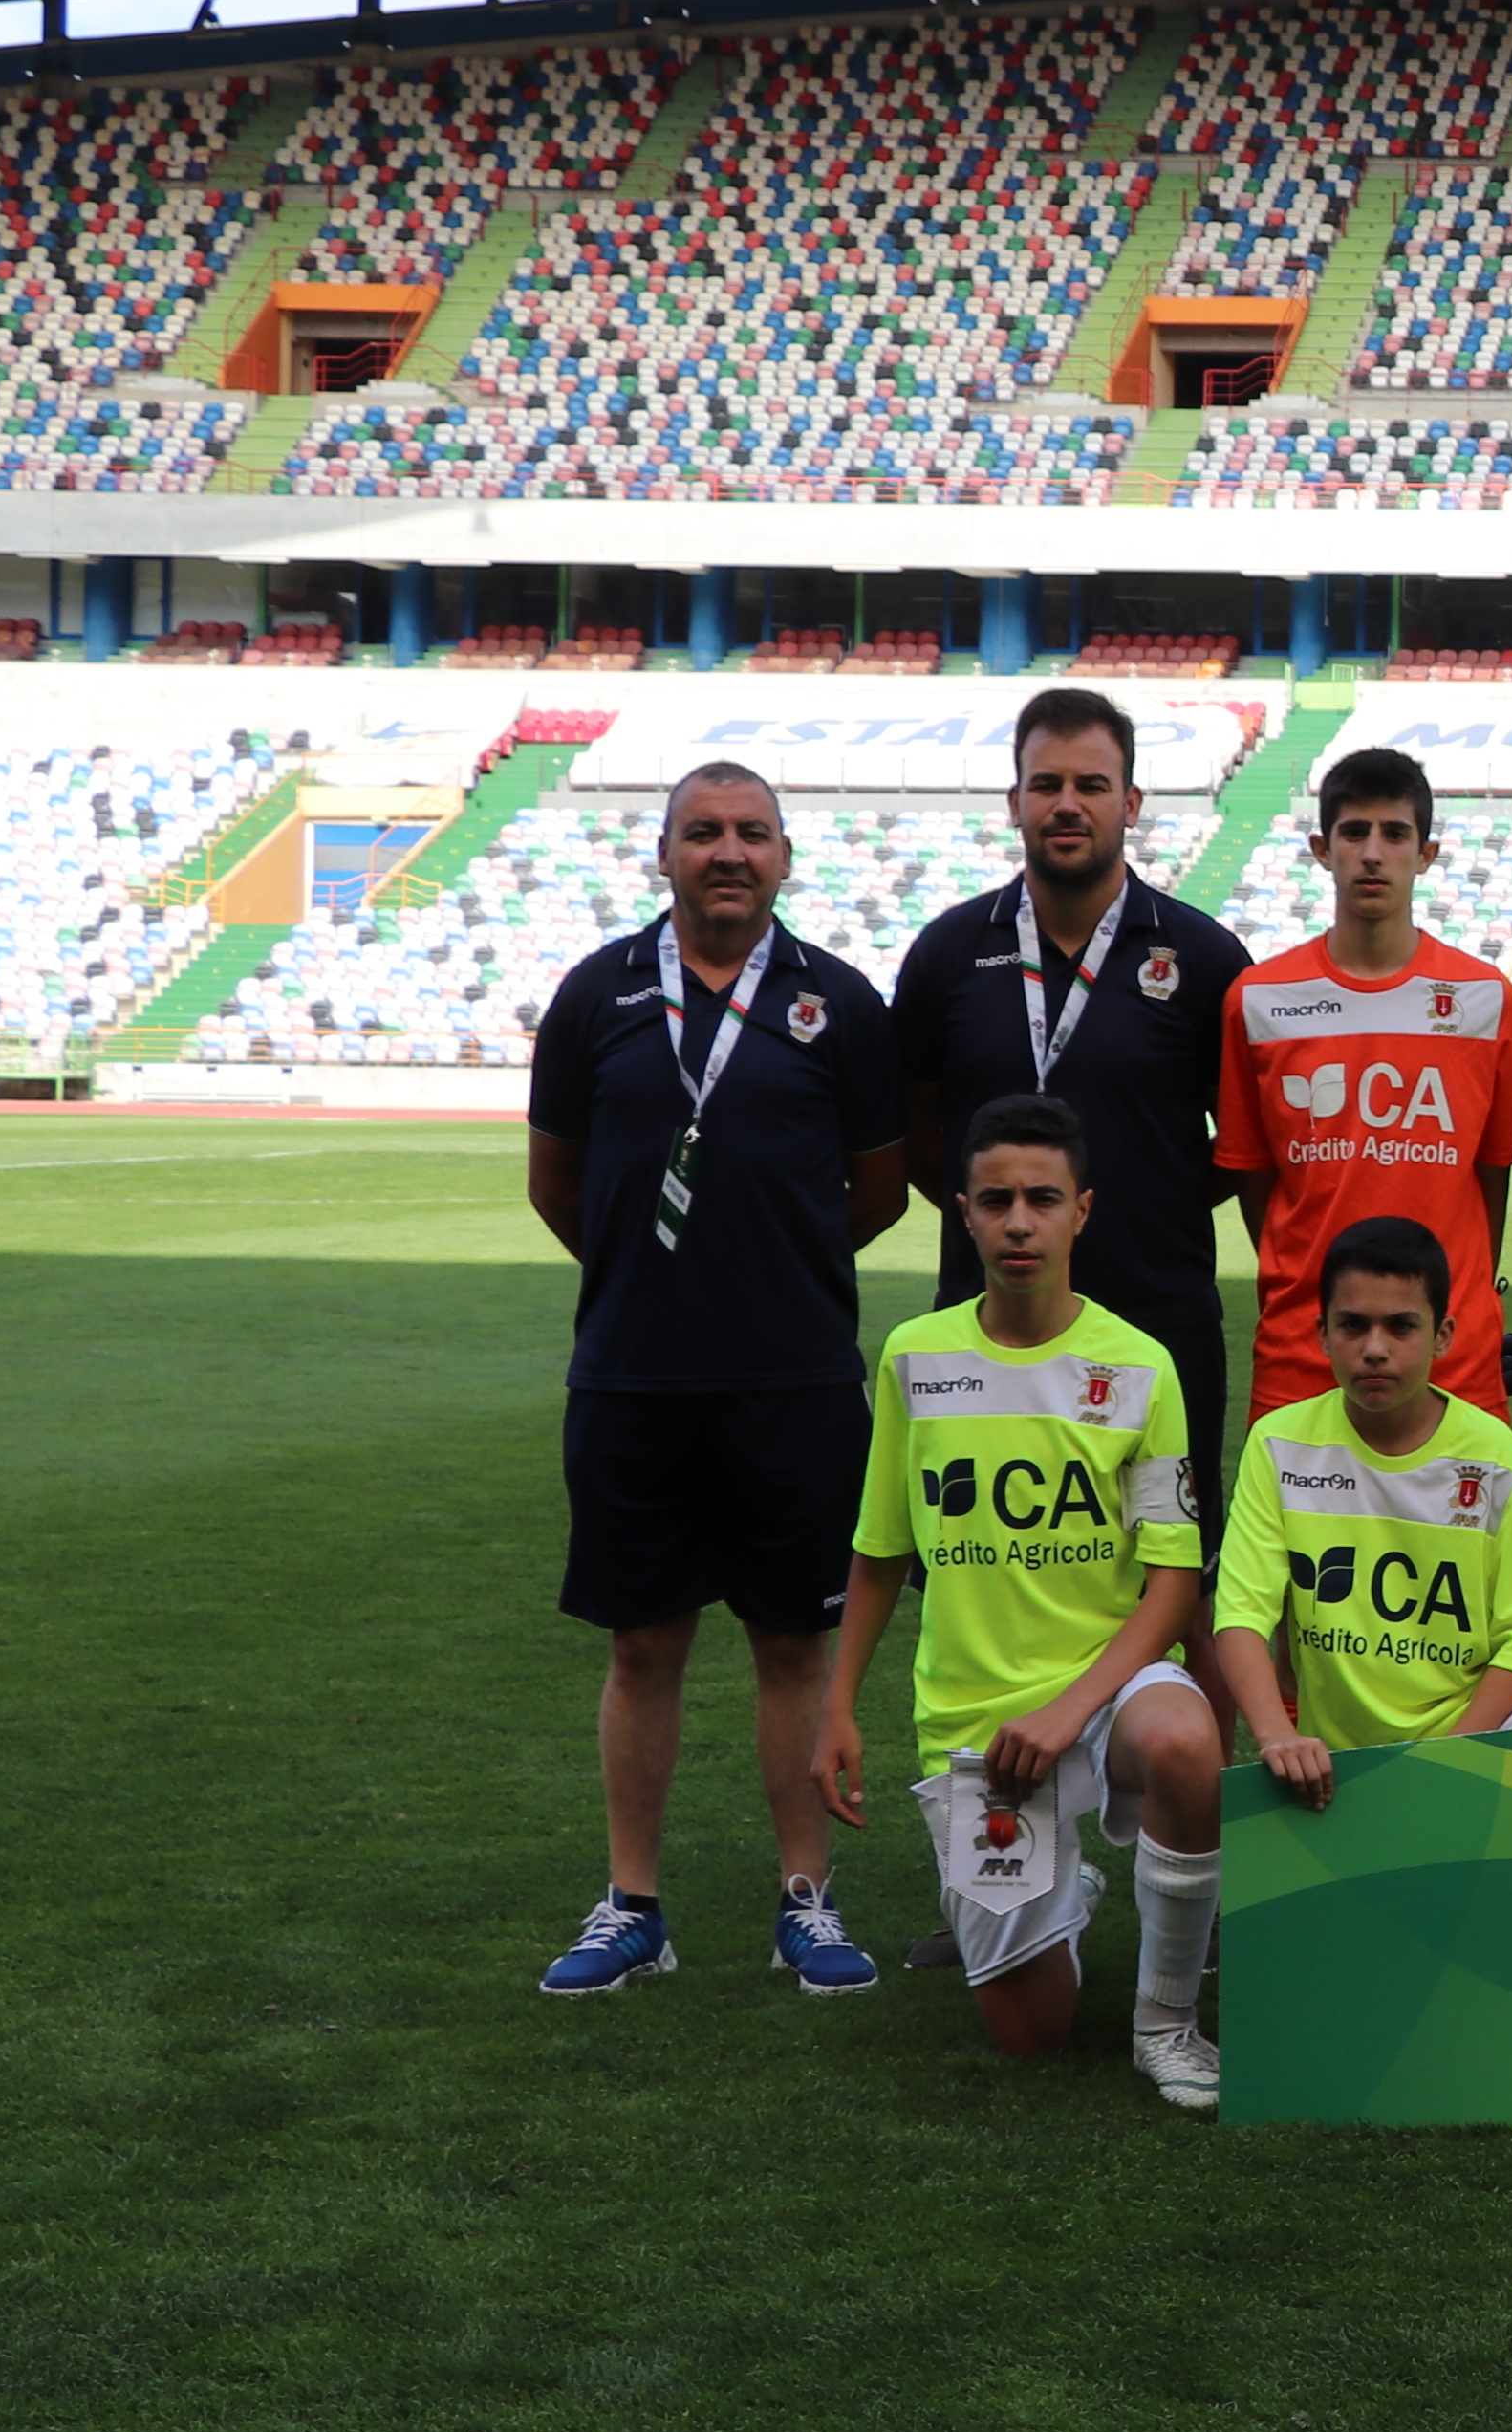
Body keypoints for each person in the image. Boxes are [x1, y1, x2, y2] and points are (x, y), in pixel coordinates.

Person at [526, 758, 911, 2001]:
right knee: (643, 1646)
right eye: (703, 833)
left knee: (795, 1646)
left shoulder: (839, 1004)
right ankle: (633, 1903)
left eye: (752, 833)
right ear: (665, 854)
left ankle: (807, 1896)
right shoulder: (597, 997)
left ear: (786, 857)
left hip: (794, 1380)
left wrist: (770, 1275)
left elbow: (878, 1188)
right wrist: (655, 1273)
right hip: (634, 1378)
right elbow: (556, 1184)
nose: (728, 853)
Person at [884, 685, 1252, 1971]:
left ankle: (1185, 1904)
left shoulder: (1203, 960)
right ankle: (993, 1875)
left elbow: (1234, 1147)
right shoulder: (945, 955)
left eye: (1092, 784)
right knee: (981, 1586)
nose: (1068, 805)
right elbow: (923, 1130)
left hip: (1154, 1328)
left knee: (1177, 1586)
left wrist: (1134, 1215)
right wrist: (1010, 1233)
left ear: (1131, 803)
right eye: (1047, 784)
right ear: (1016, 801)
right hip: (991, 1341)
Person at [815, 1093, 1227, 2107]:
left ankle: (1167, 2022)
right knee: (1031, 2036)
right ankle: (1061, 1889)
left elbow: (1175, 1578)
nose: (1018, 1221)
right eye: (995, 1200)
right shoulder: (916, 1355)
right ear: (962, 1211)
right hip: (977, 1726)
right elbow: (879, 1551)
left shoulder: (1139, 1365)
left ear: (1082, 1209)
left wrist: (1069, 1709)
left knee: (1184, 1737)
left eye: (1042, 1199)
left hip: (1104, 1695)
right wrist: (836, 1709)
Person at [1206, 1209, 1512, 1813]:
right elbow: (1239, 1616)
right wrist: (1276, 1733)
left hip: (1472, 1735)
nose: (1375, 1349)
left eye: (1401, 1326)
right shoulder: (1279, 1445)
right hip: (1339, 1760)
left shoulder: (1492, 1454)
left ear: (1442, 1335)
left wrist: (1452, 1757)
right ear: (1322, 1334)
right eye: (1353, 1326)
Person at [1219, 745, 1512, 1422]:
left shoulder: (1486, 998)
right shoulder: (1258, 1000)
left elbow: (1491, 1177)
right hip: (1303, 1355)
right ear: (1322, 849)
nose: (1373, 853)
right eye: (1354, 833)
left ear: (1427, 852)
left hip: (1455, 1359)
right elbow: (1256, 1180)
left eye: (1394, 834)